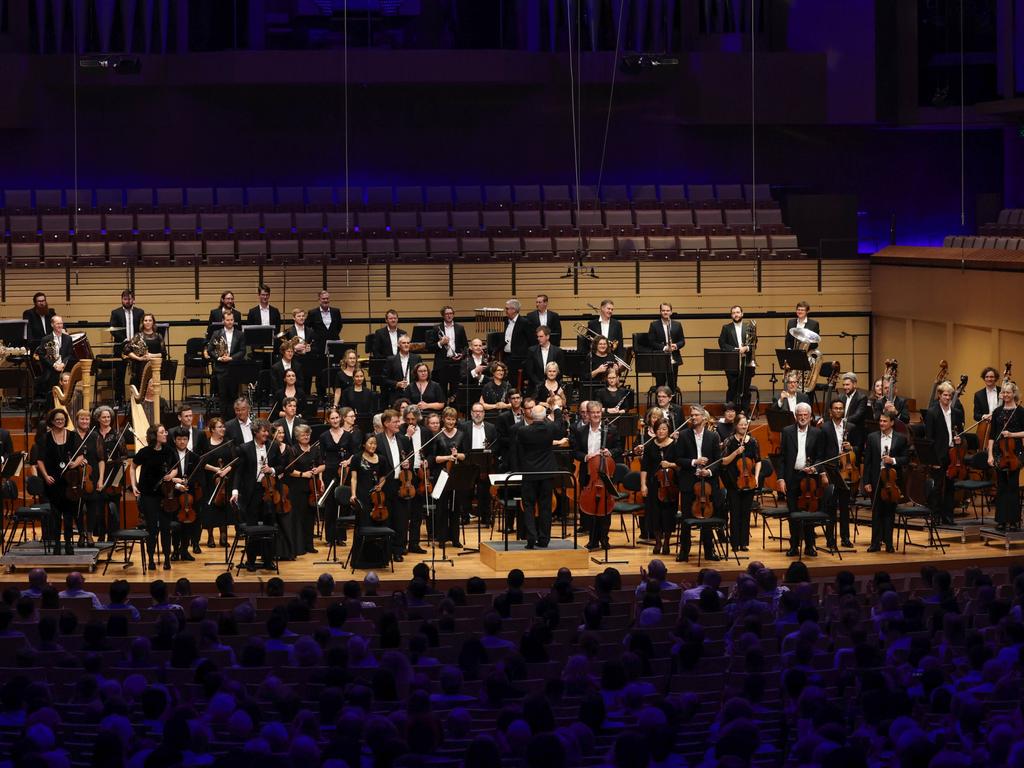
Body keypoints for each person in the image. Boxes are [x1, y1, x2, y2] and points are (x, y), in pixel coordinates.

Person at [230, 420, 283, 571]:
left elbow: (281, 466)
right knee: (252, 527)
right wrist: (235, 491)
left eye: (267, 431)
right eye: (263, 431)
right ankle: (251, 561)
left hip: (269, 491)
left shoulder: (273, 447)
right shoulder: (245, 448)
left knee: (269, 526)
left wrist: (271, 470)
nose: (267, 434)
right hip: (251, 492)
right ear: (255, 432)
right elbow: (238, 472)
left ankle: (268, 561)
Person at [777, 403, 826, 558]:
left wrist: (815, 468)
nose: (803, 417)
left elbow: (820, 456)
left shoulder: (817, 433)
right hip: (792, 477)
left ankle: (810, 545)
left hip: (810, 479)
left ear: (810, 416)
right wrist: (781, 478)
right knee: (793, 513)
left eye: (805, 414)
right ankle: (794, 546)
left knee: (809, 513)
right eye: (800, 414)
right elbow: (782, 458)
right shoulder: (787, 431)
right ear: (796, 416)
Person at [573, 401, 623, 550]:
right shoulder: (580, 431)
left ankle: (604, 539)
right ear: (587, 414)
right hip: (588, 474)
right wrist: (586, 457)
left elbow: (619, 448)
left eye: (598, 412)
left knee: (605, 508)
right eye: (593, 412)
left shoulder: (611, 429)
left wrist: (610, 452)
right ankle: (592, 540)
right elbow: (575, 452)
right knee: (590, 509)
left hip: (605, 471)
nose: (596, 415)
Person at [516, 404, 567, 548]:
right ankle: (544, 539)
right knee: (545, 507)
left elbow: (520, 450)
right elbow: (559, 423)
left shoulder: (522, 431)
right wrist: (556, 408)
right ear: (545, 416)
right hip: (546, 473)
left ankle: (531, 537)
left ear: (531, 415)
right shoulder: (550, 428)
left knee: (529, 506)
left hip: (529, 473)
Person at [676, 406, 723, 562]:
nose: (693, 418)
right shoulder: (683, 435)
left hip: (708, 483)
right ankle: (684, 552)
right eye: (691, 415)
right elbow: (678, 459)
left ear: (704, 418)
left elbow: (718, 460)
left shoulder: (713, 436)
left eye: (696, 415)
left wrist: (708, 472)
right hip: (689, 482)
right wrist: (694, 462)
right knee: (686, 519)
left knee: (708, 518)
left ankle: (709, 551)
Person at [36, 409, 84, 555]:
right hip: (53, 480)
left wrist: (74, 464)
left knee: (69, 513)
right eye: (57, 420)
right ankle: (57, 543)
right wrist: (45, 476)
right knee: (56, 514)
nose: (60, 422)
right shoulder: (45, 437)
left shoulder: (73, 436)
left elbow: (81, 455)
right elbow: (40, 460)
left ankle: (69, 543)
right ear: (51, 421)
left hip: (70, 481)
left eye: (62, 419)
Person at [862, 411, 909, 553]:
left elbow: (906, 459)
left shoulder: (900, 438)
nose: (882, 423)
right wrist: (866, 482)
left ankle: (889, 544)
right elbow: (868, 461)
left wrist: (893, 460)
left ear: (892, 422)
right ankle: (875, 543)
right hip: (876, 479)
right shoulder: (872, 437)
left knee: (889, 513)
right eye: (880, 421)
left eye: (885, 421)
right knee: (876, 513)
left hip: (892, 480)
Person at [129, 423, 171, 570]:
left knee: (166, 528)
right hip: (148, 495)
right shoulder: (145, 452)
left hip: (165, 495)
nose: (165, 433)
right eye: (162, 432)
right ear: (155, 435)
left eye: (165, 431)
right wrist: (134, 485)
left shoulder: (168, 451)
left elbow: (175, 468)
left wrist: (172, 474)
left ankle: (167, 559)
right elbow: (133, 467)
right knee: (152, 528)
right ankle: (151, 559)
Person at [374, 409, 414, 561]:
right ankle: (386, 550)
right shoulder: (377, 440)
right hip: (386, 485)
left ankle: (398, 549)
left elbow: (410, 457)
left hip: (402, 484)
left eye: (399, 421)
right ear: (386, 423)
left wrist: (407, 464)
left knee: (402, 519)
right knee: (387, 518)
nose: (399, 424)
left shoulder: (403, 440)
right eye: (396, 421)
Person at [925, 381, 966, 525]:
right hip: (938, 454)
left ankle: (948, 515)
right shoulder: (932, 412)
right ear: (939, 395)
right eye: (945, 395)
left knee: (950, 486)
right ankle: (935, 515)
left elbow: (961, 433)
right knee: (937, 486)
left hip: (953, 454)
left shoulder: (956, 413)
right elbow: (929, 438)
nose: (948, 398)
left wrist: (960, 439)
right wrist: (932, 460)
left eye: (950, 395)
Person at [720, 413, 761, 553]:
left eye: (745, 424)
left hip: (749, 483)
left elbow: (758, 461)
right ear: (736, 425)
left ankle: (744, 543)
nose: (743, 426)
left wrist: (755, 477)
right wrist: (736, 452)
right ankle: (734, 543)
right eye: (741, 424)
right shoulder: (729, 441)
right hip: (733, 482)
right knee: (735, 513)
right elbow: (723, 461)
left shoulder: (753, 442)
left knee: (745, 513)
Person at [427, 407, 468, 549]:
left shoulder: (462, 434)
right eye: (448, 419)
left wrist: (458, 455)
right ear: (443, 419)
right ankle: (442, 538)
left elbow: (465, 455)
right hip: (441, 474)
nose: (451, 422)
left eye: (453, 419)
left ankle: (455, 538)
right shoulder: (436, 435)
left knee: (456, 507)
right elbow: (433, 458)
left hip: (457, 474)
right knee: (442, 507)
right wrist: (447, 457)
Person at [640, 419, 680, 556]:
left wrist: (670, 464)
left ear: (668, 430)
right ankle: (658, 541)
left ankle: (667, 542)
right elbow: (644, 467)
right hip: (653, 485)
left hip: (670, 485)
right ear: (654, 430)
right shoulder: (650, 446)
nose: (661, 431)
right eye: (658, 429)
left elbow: (680, 464)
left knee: (668, 515)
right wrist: (643, 485)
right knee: (654, 514)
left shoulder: (675, 445)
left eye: (663, 429)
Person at [987, 381, 1024, 531]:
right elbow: (991, 435)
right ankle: (1001, 519)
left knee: (1013, 486)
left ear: (1014, 393)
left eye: (1008, 392)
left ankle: (1014, 520)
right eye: (1003, 392)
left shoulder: (1021, 411)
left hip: (1016, 453)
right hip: (999, 452)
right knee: (1001, 486)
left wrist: (1011, 434)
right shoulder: (997, 412)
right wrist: (989, 455)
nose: (1006, 395)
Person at [283, 424, 324, 557]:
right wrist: (303, 474)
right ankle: (298, 547)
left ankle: (309, 545)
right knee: (298, 517)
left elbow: (323, 464)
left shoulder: (314, 449)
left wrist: (317, 470)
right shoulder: (293, 450)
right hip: (297, 487)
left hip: (312, 488)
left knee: (310, 517)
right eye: (303, 435)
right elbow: (289, 470)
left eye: (307, 434)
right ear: (297, 437)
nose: (306, 436)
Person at [319, 408, 358, 548]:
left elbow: (355, 454)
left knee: (342, 504)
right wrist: (321, 478)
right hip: (329, 472)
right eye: (332, 418)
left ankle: (340, 537)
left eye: (337, 418)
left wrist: (348, 461)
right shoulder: (324, 436)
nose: (335, 420)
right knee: (330, 505)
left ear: (340, 419)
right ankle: (330, 538)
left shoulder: (348, 435)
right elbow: (321, 458)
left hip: (344, 472)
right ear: (328, 420)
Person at [821, 399, 855, 548]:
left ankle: (845, 538)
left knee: (845, 507)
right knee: (831, 507)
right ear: (830, 411)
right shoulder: (825, 428)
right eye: (835, 408)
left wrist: (852, 447)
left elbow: (859, 449)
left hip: (846, 471)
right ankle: (830, 538)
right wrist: (823, 472)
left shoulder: (851, 427)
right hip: (832, 471)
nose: (838, 411)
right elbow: (821, 452)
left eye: (841, 408)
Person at [163, 427, 200, 563]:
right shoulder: (169, 455)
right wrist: (177, 484)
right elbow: (166, 475)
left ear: (188, 440)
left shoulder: (194, 456)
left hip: (188, 495)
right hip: (173, 494)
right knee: (176, 523)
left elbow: (197, 475)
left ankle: (185, 550)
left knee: (188, 524)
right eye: (179, 439)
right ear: (174, 440)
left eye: (185, 439)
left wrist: (189, 484)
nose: (182, 442)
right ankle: (176, 550)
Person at [461, 402, 499, 527]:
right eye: (475, 411)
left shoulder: (491, 427)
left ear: (484, 413)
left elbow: (495, 447)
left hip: (485, 466)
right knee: (467, 492)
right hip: (468, 464)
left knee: (485, 493)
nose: (478, 413)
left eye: (480, 411)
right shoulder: (464, 426)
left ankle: (485, 517)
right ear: (471, 413)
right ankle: (465, 517)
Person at [200, 417, 236, 549]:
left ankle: (223, 536)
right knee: (210, 509)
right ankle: (210, 537)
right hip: (210, 480)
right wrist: (215, 469)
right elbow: (201, 462)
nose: (223, 429)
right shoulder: (206, 444)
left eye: (223, 427)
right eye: (220, 427)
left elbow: (234, 461)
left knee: (224, 508)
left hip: (225, 479)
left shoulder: (228, 443)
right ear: (212, 430)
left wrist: (226, 470)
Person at [717, 305, 756, 412]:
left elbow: (754, 343)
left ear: (742, 314)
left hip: (746, 362)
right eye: (734, 313)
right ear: (731, 315)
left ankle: (745, 412)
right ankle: (731, 412)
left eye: (738, 312)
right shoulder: (726, 328)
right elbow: (722, 343)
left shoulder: (749, 327)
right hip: (731, 362)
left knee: (746, 389)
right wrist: (736, 349)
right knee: (732, 388)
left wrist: (746, 348)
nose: (736, 314)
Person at [208, 311, 247, 418]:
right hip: (221, 368)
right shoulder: (216, 333)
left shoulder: (240, 334)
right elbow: (210, 349)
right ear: (223, 321)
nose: (229, 322)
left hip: (234, 368)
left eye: (231, 320)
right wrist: (219, 357)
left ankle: (234, 420)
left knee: (233, 396)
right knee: (223, 396)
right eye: (227, 320)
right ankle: (223, 420)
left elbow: (242, 351)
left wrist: (231, 358)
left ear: (234, 321)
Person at [428, 305, 468, 403]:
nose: (449, 315)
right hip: (442, 363)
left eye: (451, 313)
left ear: (453, 315)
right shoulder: (436, 328)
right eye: (447, 314)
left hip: (456, 362)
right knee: (441, 389)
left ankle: (454, 412)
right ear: (443, 315)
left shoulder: (460, 328)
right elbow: (430, 347)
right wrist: (440, 343)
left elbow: (465, 346)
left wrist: (461, 355)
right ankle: (442, 412)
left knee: (456, 390)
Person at [35, 314, 76, 396]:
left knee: (67, 379)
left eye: (61, 323)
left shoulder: (68, 338)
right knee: (51, 383)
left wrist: (63, 364)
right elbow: (42, 355)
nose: (60, 325)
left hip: (64, 369)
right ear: (52, 325)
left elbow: (70, 354)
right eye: (58, 324)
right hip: (51, 369)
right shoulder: (46, 339)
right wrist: (54, 365)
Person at [647, 303, 685, 391]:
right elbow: (651, 342)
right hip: (659, 359)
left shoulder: (677, 325)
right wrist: (665, 348)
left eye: (667, 310)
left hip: (674, 358)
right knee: (660, 385)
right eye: (663, 310)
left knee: (673, 385)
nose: (665, 312)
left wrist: (675, 346)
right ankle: (659, 404)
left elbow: (682, 341)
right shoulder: (654, 325)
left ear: (671, 312)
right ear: (660, 312)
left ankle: (673, 404)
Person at [124, 312, 164, 391]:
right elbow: (127, 351)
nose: (148, 322)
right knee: (140, 389)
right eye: (145, 320)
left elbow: (163, 354)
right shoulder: (138, 336)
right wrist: (139, 358)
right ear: (142, 322)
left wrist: (150, 355)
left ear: (153, 322)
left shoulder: (159, 336)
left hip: (154, 367)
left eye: (150, 320)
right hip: (140, 367)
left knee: (153, 390)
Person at [502, 298, 537, 384]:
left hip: (519, 360)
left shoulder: (525, 323)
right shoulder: (506, 321)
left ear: (514, 310)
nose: (505, 310)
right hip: (507, 357)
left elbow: (532, 342)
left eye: (507, 308)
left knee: (516, 383)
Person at [282, 308, 315, 392]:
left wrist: (310, 348)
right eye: (299, 316)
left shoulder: (310, 331)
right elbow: (282, 346)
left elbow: (315, 345)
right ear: (294, 318)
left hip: (307, 361)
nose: (301, 318)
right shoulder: (288, 331)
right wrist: (294, 348)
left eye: (303, 316)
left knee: (307, 384)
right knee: (295, 384)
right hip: (294, 360)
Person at [383, 334, 422, 405]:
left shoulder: (416, 358)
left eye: (408, 343)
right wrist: (397, 384)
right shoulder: (391, 360)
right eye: (404, 343)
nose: (406, 345)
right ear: (398, 345)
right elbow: (384, 379)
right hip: (397, 395)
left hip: (414, 394)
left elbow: (421, 376)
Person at [525, 325, 566, 391]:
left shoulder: (558, 351)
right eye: (538, 336)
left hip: (553, 387)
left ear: (547, 336)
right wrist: (540, 384)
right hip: (536, 386)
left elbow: (560, 371)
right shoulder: (531, 350)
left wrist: (551, 384)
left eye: (541, 336)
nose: (538, 338)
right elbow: (530, 371)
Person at [839, 372, 869, 449]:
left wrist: (842, 421)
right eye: (844, 385)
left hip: (856, 433)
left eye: (847, 385)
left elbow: (857, 416)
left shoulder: (862, 397)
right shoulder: (841, 396)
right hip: (842, 431)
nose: (845, 387)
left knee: (855, 458)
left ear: (854, 384)